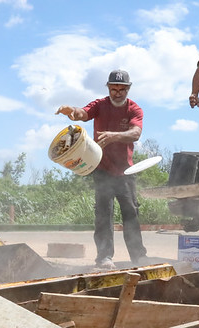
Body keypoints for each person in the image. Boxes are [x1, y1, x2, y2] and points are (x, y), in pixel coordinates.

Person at [55, 69, 148, 270]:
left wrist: (114, 136)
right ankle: (104, 257)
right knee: (103, 214)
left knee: (131, 214)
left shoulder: (134, 109)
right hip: (102, 170)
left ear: (128, 89)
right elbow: (83, 113)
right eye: (113, 89)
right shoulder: (100, 105)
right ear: (108, 88)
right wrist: (72, 111)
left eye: (122, 89)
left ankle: (138, 256)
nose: (117, 93)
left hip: (125, 171)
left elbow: (135, 133)